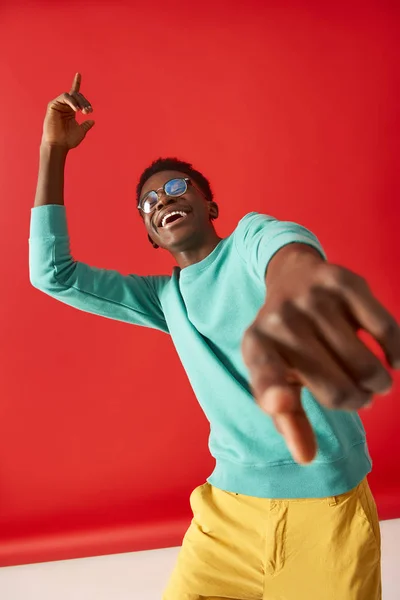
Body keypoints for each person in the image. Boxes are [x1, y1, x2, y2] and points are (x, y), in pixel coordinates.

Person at [29, 73, 400, 600]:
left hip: (327, 512)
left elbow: (283, 246)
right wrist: (52, 151)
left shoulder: (249, 239)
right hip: (225, 516)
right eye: (149, 202)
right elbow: (52, 275)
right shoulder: (164, 299)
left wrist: (295, 279)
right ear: (151, 235)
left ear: (210, 206)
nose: (162, 199)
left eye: (177, 187)